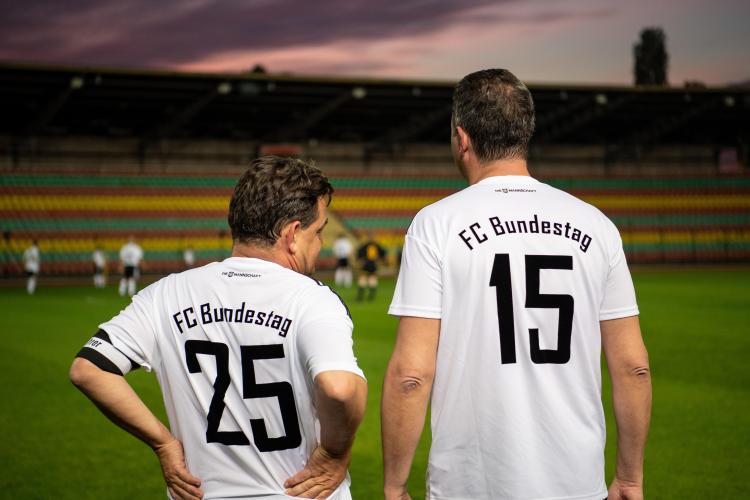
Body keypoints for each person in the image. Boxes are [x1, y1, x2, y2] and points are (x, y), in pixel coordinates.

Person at [381, 69, 651, 500]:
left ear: (462, 138)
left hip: (470, 486)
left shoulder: (436, 224)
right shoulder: (597, 225)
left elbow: (411, 374)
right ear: (524, 135)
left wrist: (394, 485)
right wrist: (631, 478)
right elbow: (633, 367)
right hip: (577, 483)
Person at [70, 156, 367, 500]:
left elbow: (89, 368)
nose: (321, 245)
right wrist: (333, 453)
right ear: (293, 235)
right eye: (319, 232)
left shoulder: (166, 293)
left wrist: (163, 443)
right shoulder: (313, 299)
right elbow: (339, 389)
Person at [356, 233, 386, 301]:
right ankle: (366, 296)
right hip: (368, 264)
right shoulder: (375, 245)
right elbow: (383, 254)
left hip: (369, 264)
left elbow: (359, 254)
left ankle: (365, 296)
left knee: (369, 279)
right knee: (367, 279)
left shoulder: (366, 245)